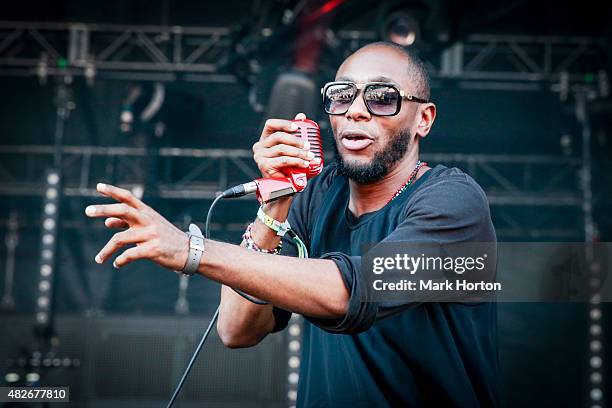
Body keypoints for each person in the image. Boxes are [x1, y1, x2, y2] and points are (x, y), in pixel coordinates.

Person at [85, 41, 500, 407]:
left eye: (381, 97)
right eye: (342, 96)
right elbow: (237, 329)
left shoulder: (454, 202)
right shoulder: (319, 196)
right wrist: (276, 203)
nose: (356, 110)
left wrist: (191, 251)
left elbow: (354, 293)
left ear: (423, 119)